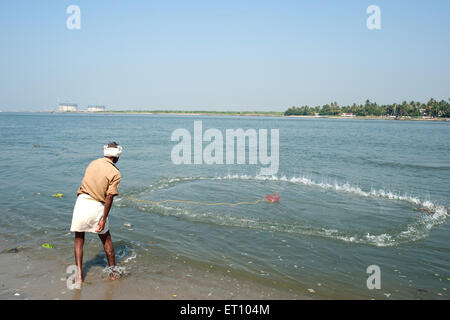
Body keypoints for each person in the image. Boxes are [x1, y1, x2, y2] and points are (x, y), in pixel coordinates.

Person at [70, 142, 123, 283]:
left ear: (106, 153)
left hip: (81, 201)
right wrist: (103, 219)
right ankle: (113, 274)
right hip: (96, 206)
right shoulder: (115, 173)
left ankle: (79, 276)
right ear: (117, 157)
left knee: (79, 239)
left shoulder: (93, 163)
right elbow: (109, 197)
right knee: (107, 241)